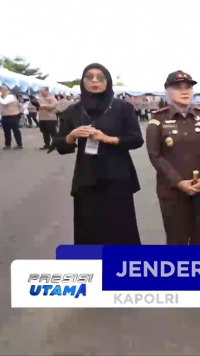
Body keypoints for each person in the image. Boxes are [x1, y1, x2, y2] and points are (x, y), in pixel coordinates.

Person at [53, 63, 143, 245]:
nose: (95, 81)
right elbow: (62, 147)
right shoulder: (73, 111)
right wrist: (71, 136)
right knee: (89, 229)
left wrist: (109, 139)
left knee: (120, 228)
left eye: (100, 77)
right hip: (87, 178)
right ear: (83, 82)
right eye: (89, 77)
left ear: (107, 81)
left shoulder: (122, 108)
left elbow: (136, 140)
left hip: (117, 176)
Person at [146, 71, 200, 245]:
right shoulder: (158, 120)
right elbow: (155, 155)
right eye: (178, 88)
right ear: (167, 91)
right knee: (176, 240)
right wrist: (179, 182)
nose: (184, 91)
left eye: (188, 87)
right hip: (172, 191)